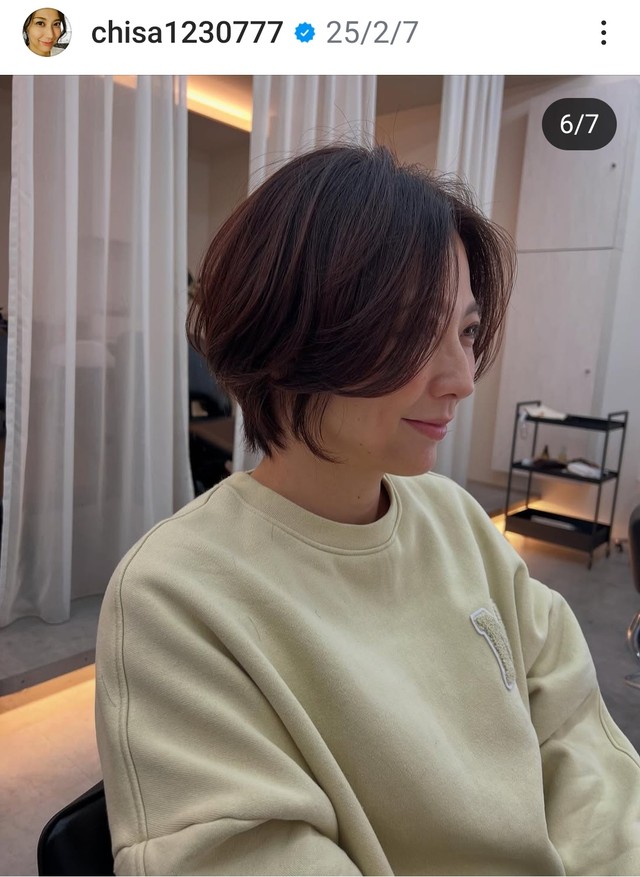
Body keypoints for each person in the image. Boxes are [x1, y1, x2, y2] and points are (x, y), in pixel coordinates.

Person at [95, 144, 640, 875]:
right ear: (289, 331)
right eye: (414, 329)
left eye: (466, 331)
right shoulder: (175, 595)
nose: (462, 378)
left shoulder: (452, 517)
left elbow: (575, 728)